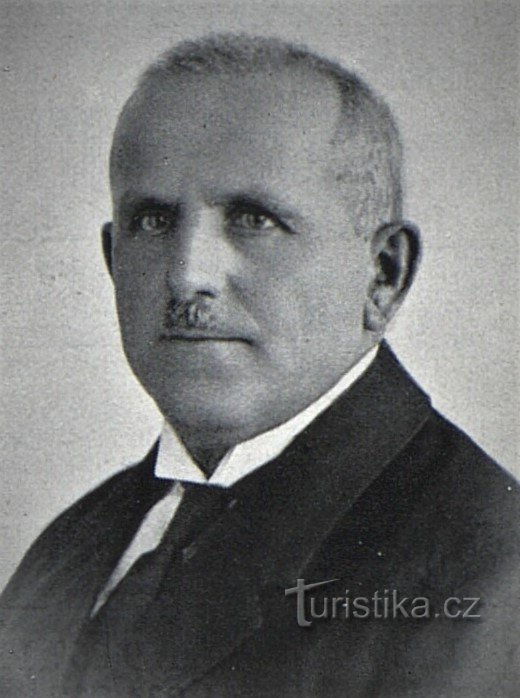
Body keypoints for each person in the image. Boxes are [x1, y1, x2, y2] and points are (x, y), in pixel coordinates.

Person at [1, 34, 518, 697]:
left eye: (254, 220)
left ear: (382, 276)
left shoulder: (489, 574)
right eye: (152, 221)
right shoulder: (72, 545)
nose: (186, 275)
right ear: (112, 260)